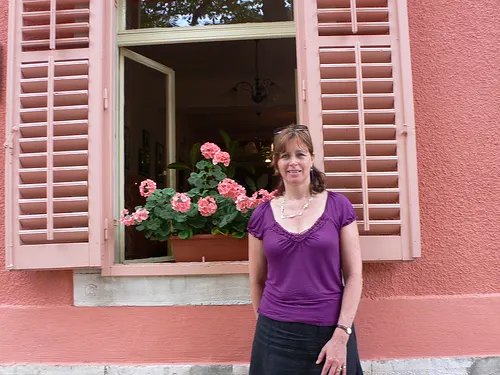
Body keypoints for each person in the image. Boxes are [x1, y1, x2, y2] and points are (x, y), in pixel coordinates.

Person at [247, 124, 364, 375]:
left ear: (312, 158)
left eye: (300, 154)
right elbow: (256, 279)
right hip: (274, 337)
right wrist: (265, 325)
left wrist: (341, 335)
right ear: (276, 163)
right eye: (285, 156)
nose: (293, 162)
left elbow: (354, 275)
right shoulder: (261, 215)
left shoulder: (338, 206)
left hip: (330, 333)